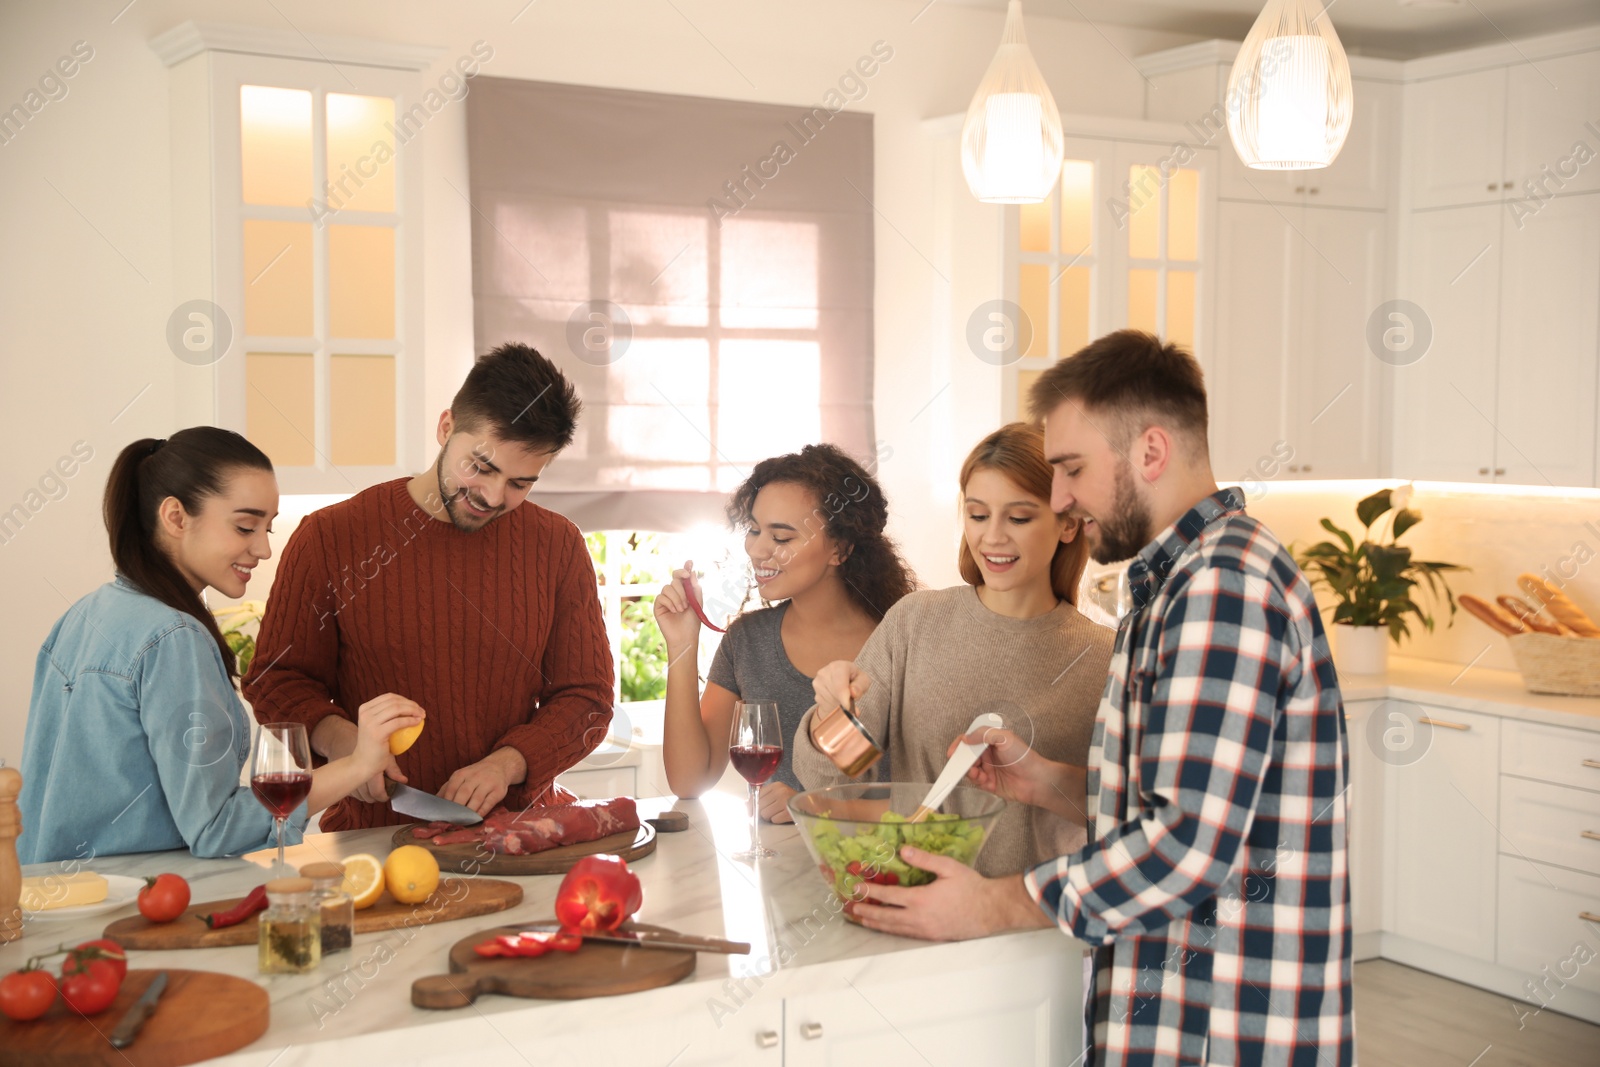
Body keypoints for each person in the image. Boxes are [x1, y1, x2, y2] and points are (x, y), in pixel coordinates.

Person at [846, 331, 1354, 1067]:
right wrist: (1046, 780)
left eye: (1070, 469)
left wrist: (991, 903)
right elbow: (1184, 805)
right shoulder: (1177, 587)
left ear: (1150, 452)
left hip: (1220, 1027)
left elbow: (1185, 846)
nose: (1059, 499)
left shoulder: (1222, 589)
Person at [244, 344, 613, 830]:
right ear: (445, 428)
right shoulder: (330, 537)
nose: (494, 497)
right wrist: (348, 748)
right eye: (480, 467)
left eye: (521, 483)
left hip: (517, 836)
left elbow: (587, 697)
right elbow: (277, 679)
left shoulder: (557, 545)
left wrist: (507, 764)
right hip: (373, 838)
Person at [18, 428, 422, 864]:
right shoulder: (173, 639)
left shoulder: (86, 613)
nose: (264, 548)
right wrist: (358, 764)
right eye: (245, 526)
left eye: (266, 528)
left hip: (55, 904)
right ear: (175, 517)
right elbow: (218, 828)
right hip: (134, 905)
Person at [794, 422, 1114, 871]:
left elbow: (1125, 819)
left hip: (1030, 921)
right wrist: (832, 712)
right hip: (914, 901)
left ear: (1068, 523)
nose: (993, 537)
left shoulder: (1107, 656)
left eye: (1019, 518)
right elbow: (831, 776)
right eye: (978, 515)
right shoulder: (914, 621)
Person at [654, 444, 916, 822]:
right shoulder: (747, 641)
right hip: (777, 871)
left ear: (839, 549)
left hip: (878, 866)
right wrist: (681, 645)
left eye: (781, 538)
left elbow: (937, 796)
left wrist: (816, 807)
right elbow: (688, 781)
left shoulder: (901, 640)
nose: (758, 550)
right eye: (754, 530)